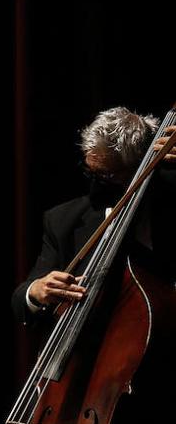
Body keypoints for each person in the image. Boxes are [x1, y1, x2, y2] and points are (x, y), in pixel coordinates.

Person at [13, 107, 175, 323]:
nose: (95, 185)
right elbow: (21, 299)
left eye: (107, 175)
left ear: (141, 164)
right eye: (90, 172)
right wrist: (35, 291)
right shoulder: (62, 220)